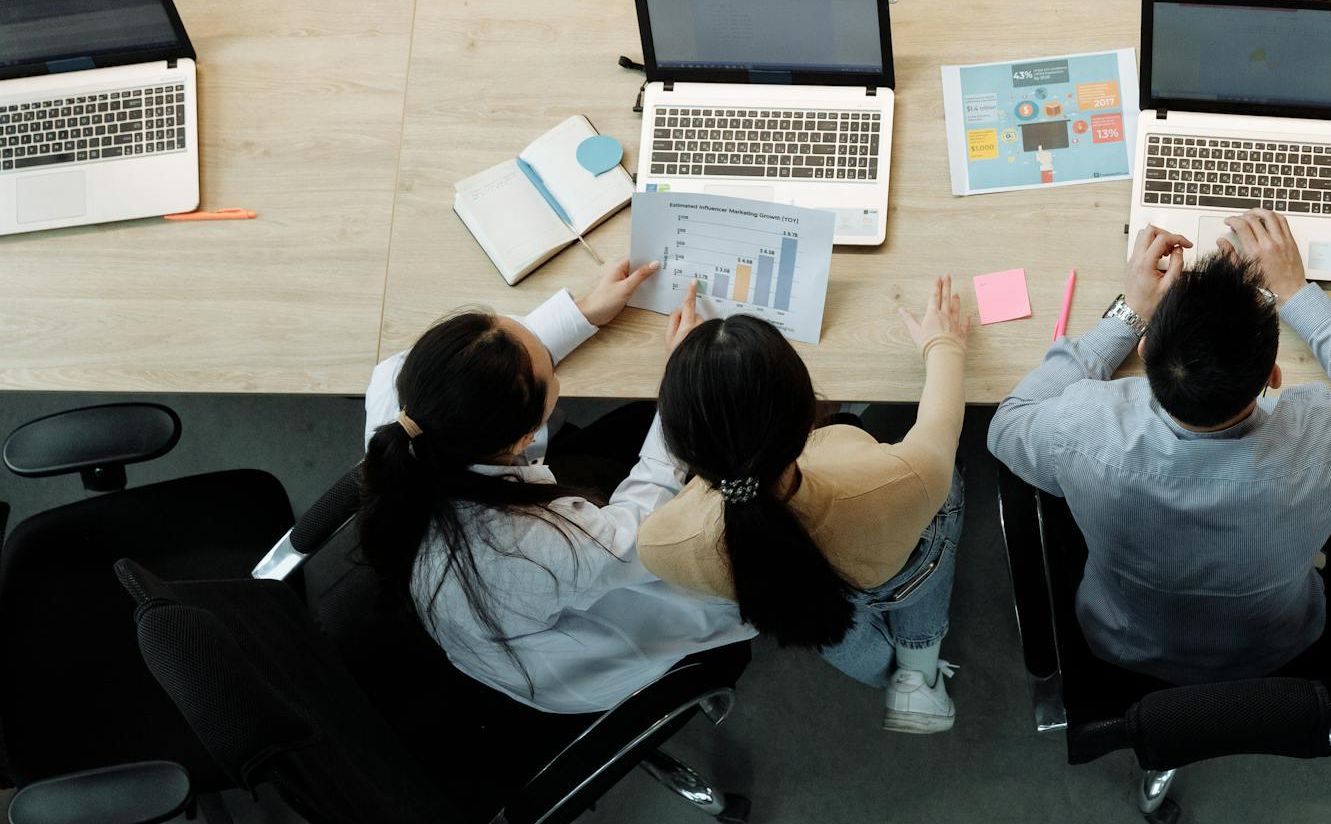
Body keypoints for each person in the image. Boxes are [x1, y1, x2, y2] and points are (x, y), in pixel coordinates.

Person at [988, 210, 1331, 684]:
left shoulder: (1084, 429)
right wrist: (1297, 294)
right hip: (1280, 645)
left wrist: (1128, 315)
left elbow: (1007, 424)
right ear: (1273, 378)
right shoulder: (1325, 443)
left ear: (1144, 353)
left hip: (1121, 641)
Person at [358, 260, 754, 715]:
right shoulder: (538, 546)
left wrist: (584, 311)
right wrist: (682, 385)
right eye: (549, 373)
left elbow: (478, 364)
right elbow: (642, 527)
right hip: (557, 665)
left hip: (494, 607)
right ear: (524, 438)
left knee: (626, 431)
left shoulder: (402, 396)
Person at [639, 277, 969, 734]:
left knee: (820, 620)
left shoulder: (660, 542)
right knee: (944, 487)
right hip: (884, 560)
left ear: (678, 441)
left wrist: (690, 381)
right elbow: (940, 427)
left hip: (787, 592)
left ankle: (884, 674)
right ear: (810, 419)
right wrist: (943, 344)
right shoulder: (891, 481)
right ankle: (918, 670)